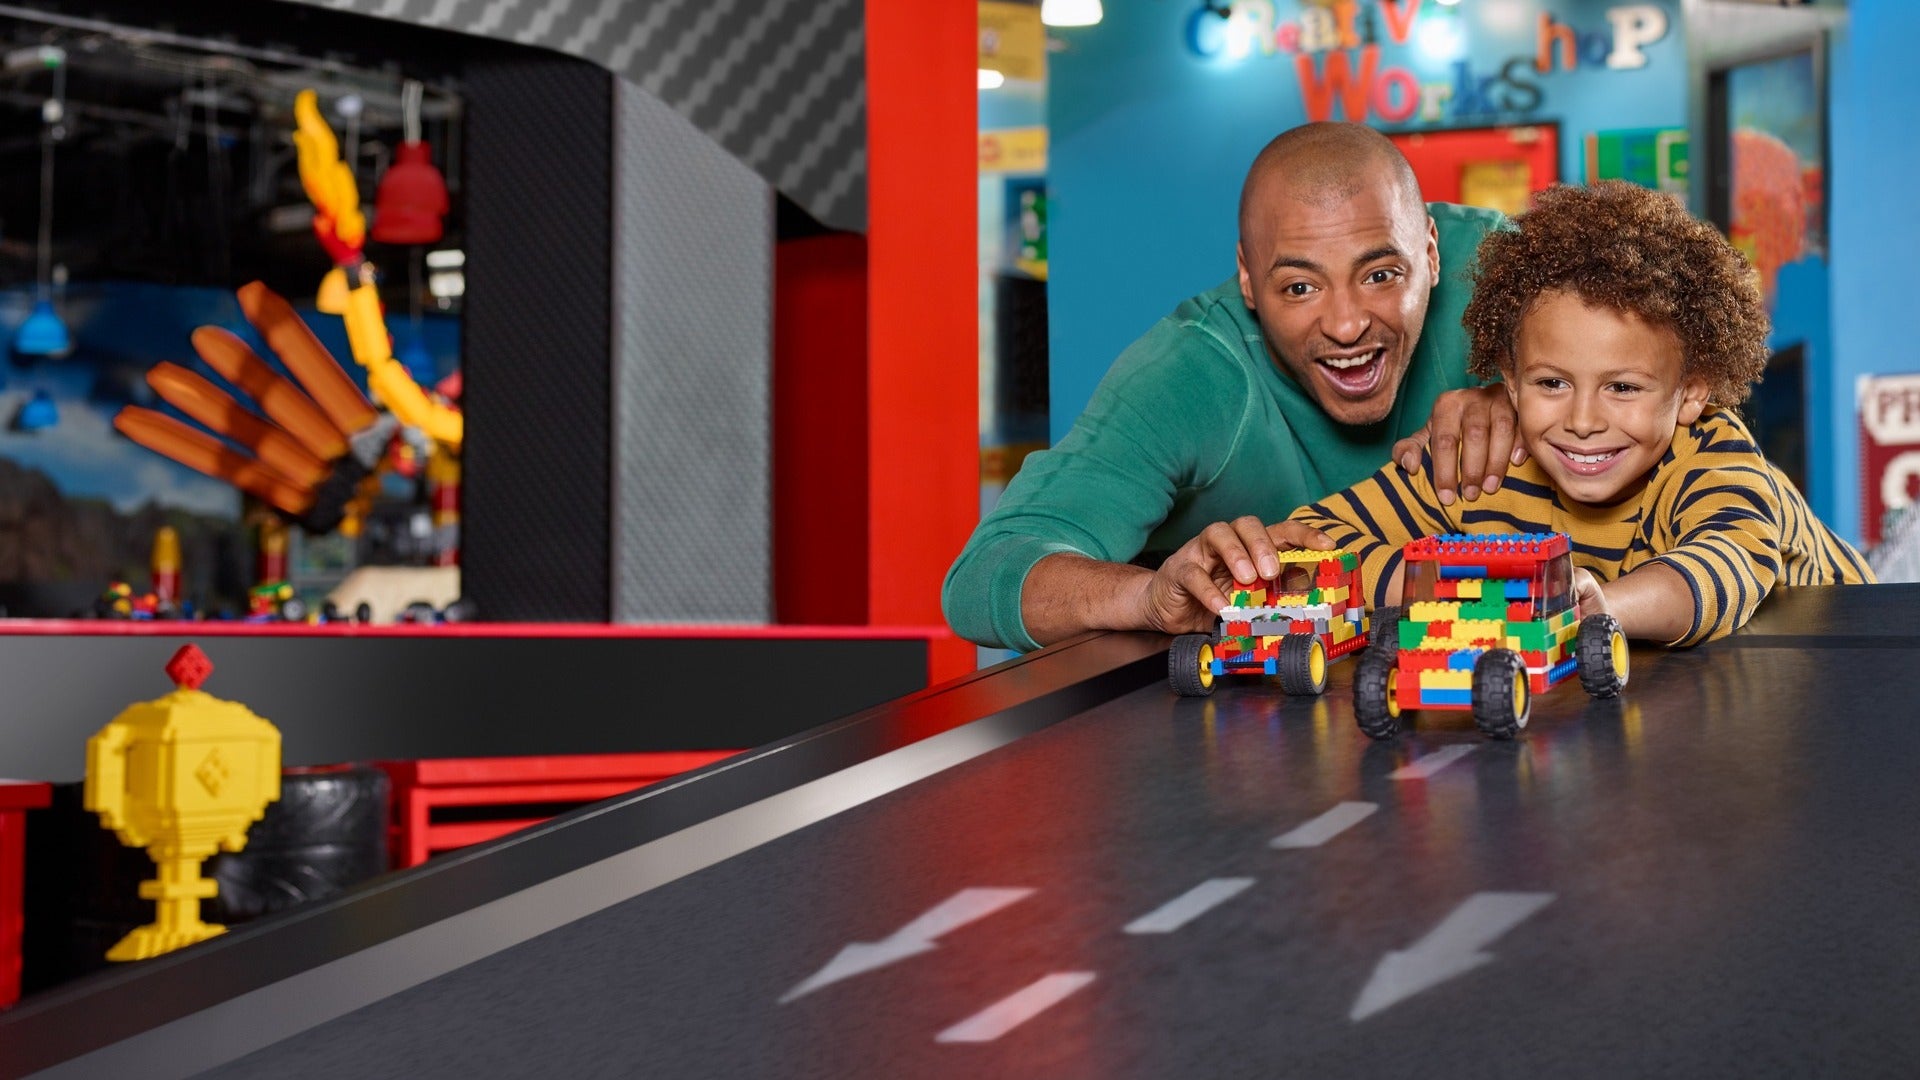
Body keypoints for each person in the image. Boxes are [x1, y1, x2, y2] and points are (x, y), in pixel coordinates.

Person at [943, 122, 1519, 652]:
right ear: (1247, 279)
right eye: (1299, 287)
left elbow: (1609, 347)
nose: (1347, 325)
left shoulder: (1501, 273)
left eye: (1380, 276)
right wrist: (1146, 596)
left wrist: (1533, 390)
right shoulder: (1190, 373)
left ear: (1432, 253)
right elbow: (982, 576)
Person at [1289, 180, 1872, 646]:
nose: (1583, 420)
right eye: (1552, 383)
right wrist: (1463, 584)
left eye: (1622, 387)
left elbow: (1723, 566)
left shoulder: (1713, 457)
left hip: (1862, 642)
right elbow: (1314, 546)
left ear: (1692, 391)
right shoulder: (1485, 463)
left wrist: (1599, 602)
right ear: (1510, 383)